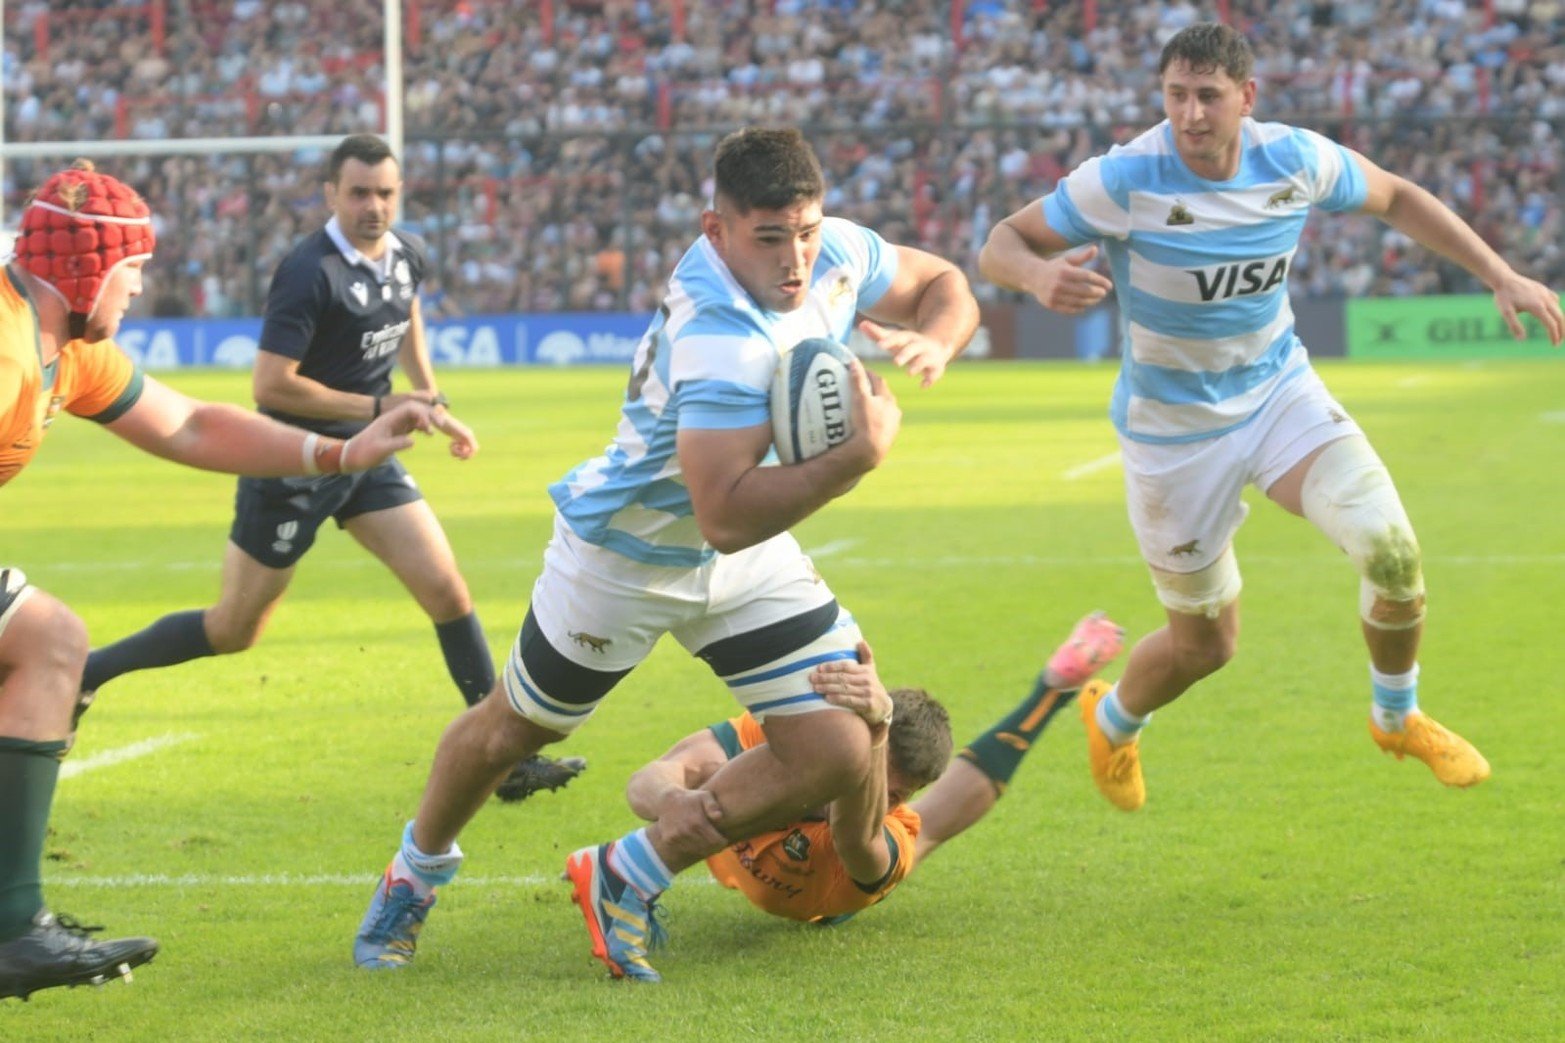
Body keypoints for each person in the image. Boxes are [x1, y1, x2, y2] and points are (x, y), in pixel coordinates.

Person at [354, 127, 980, 978]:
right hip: (627, 556)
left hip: (747, 559)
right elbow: (720, 511)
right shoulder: (720, 334)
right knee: (516, 726)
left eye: (805, 230)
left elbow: (941, 280)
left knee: (839, 742)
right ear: (714, 229)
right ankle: (414, 871)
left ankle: (627, 870)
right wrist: (856, 459)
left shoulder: (831, 249)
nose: (795, 259)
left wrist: (936, 341)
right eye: (769, 238)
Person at [978, 23, 1565, 812]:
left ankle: (1396, 715)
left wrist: (1499, 274)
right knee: (1205, 646)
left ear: (1245, 98)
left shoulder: (1293, 158)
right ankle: (1113, 717)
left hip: (1276, 392)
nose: (1189, 114)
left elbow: (1394, 195)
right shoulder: (1122, 178)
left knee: (1391, 553)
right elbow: (1000, 241)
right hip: (1172, 432)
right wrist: (1035, 275)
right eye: (1175, 95)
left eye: (1207, 96)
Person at [0, 160, 434, 1000]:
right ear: (90, 270)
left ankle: (15, 929)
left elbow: (193, 426)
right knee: (48, 638)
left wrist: (339, 450)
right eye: (133, 274)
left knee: (48, 640)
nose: (136, 294)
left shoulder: (66, 348)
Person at [76, 135, 573, 803]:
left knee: (448, 592)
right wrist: (379, 403)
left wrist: (428, 395)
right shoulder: (308, 271)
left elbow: (408, 315)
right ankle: (86, 673)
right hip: (289, 460)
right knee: (233, 629)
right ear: (331, 194)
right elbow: (272, 385)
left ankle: (500, 758)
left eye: (386, 193)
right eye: (360, 192)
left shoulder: (407, 254)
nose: (375, 206)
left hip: (370, 460)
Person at [576, 612, 1121, 954]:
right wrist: (674, 801)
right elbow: (650, 778)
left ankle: (1051, 692)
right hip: (797, 785)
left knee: (928, 832)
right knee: (739, 777)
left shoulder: (893, 831)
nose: (885, 798)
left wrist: (877, 734)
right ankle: (628, 877)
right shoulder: (781, 747)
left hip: (828, 899)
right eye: (882, 780)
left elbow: (852, 837)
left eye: (898, 794)